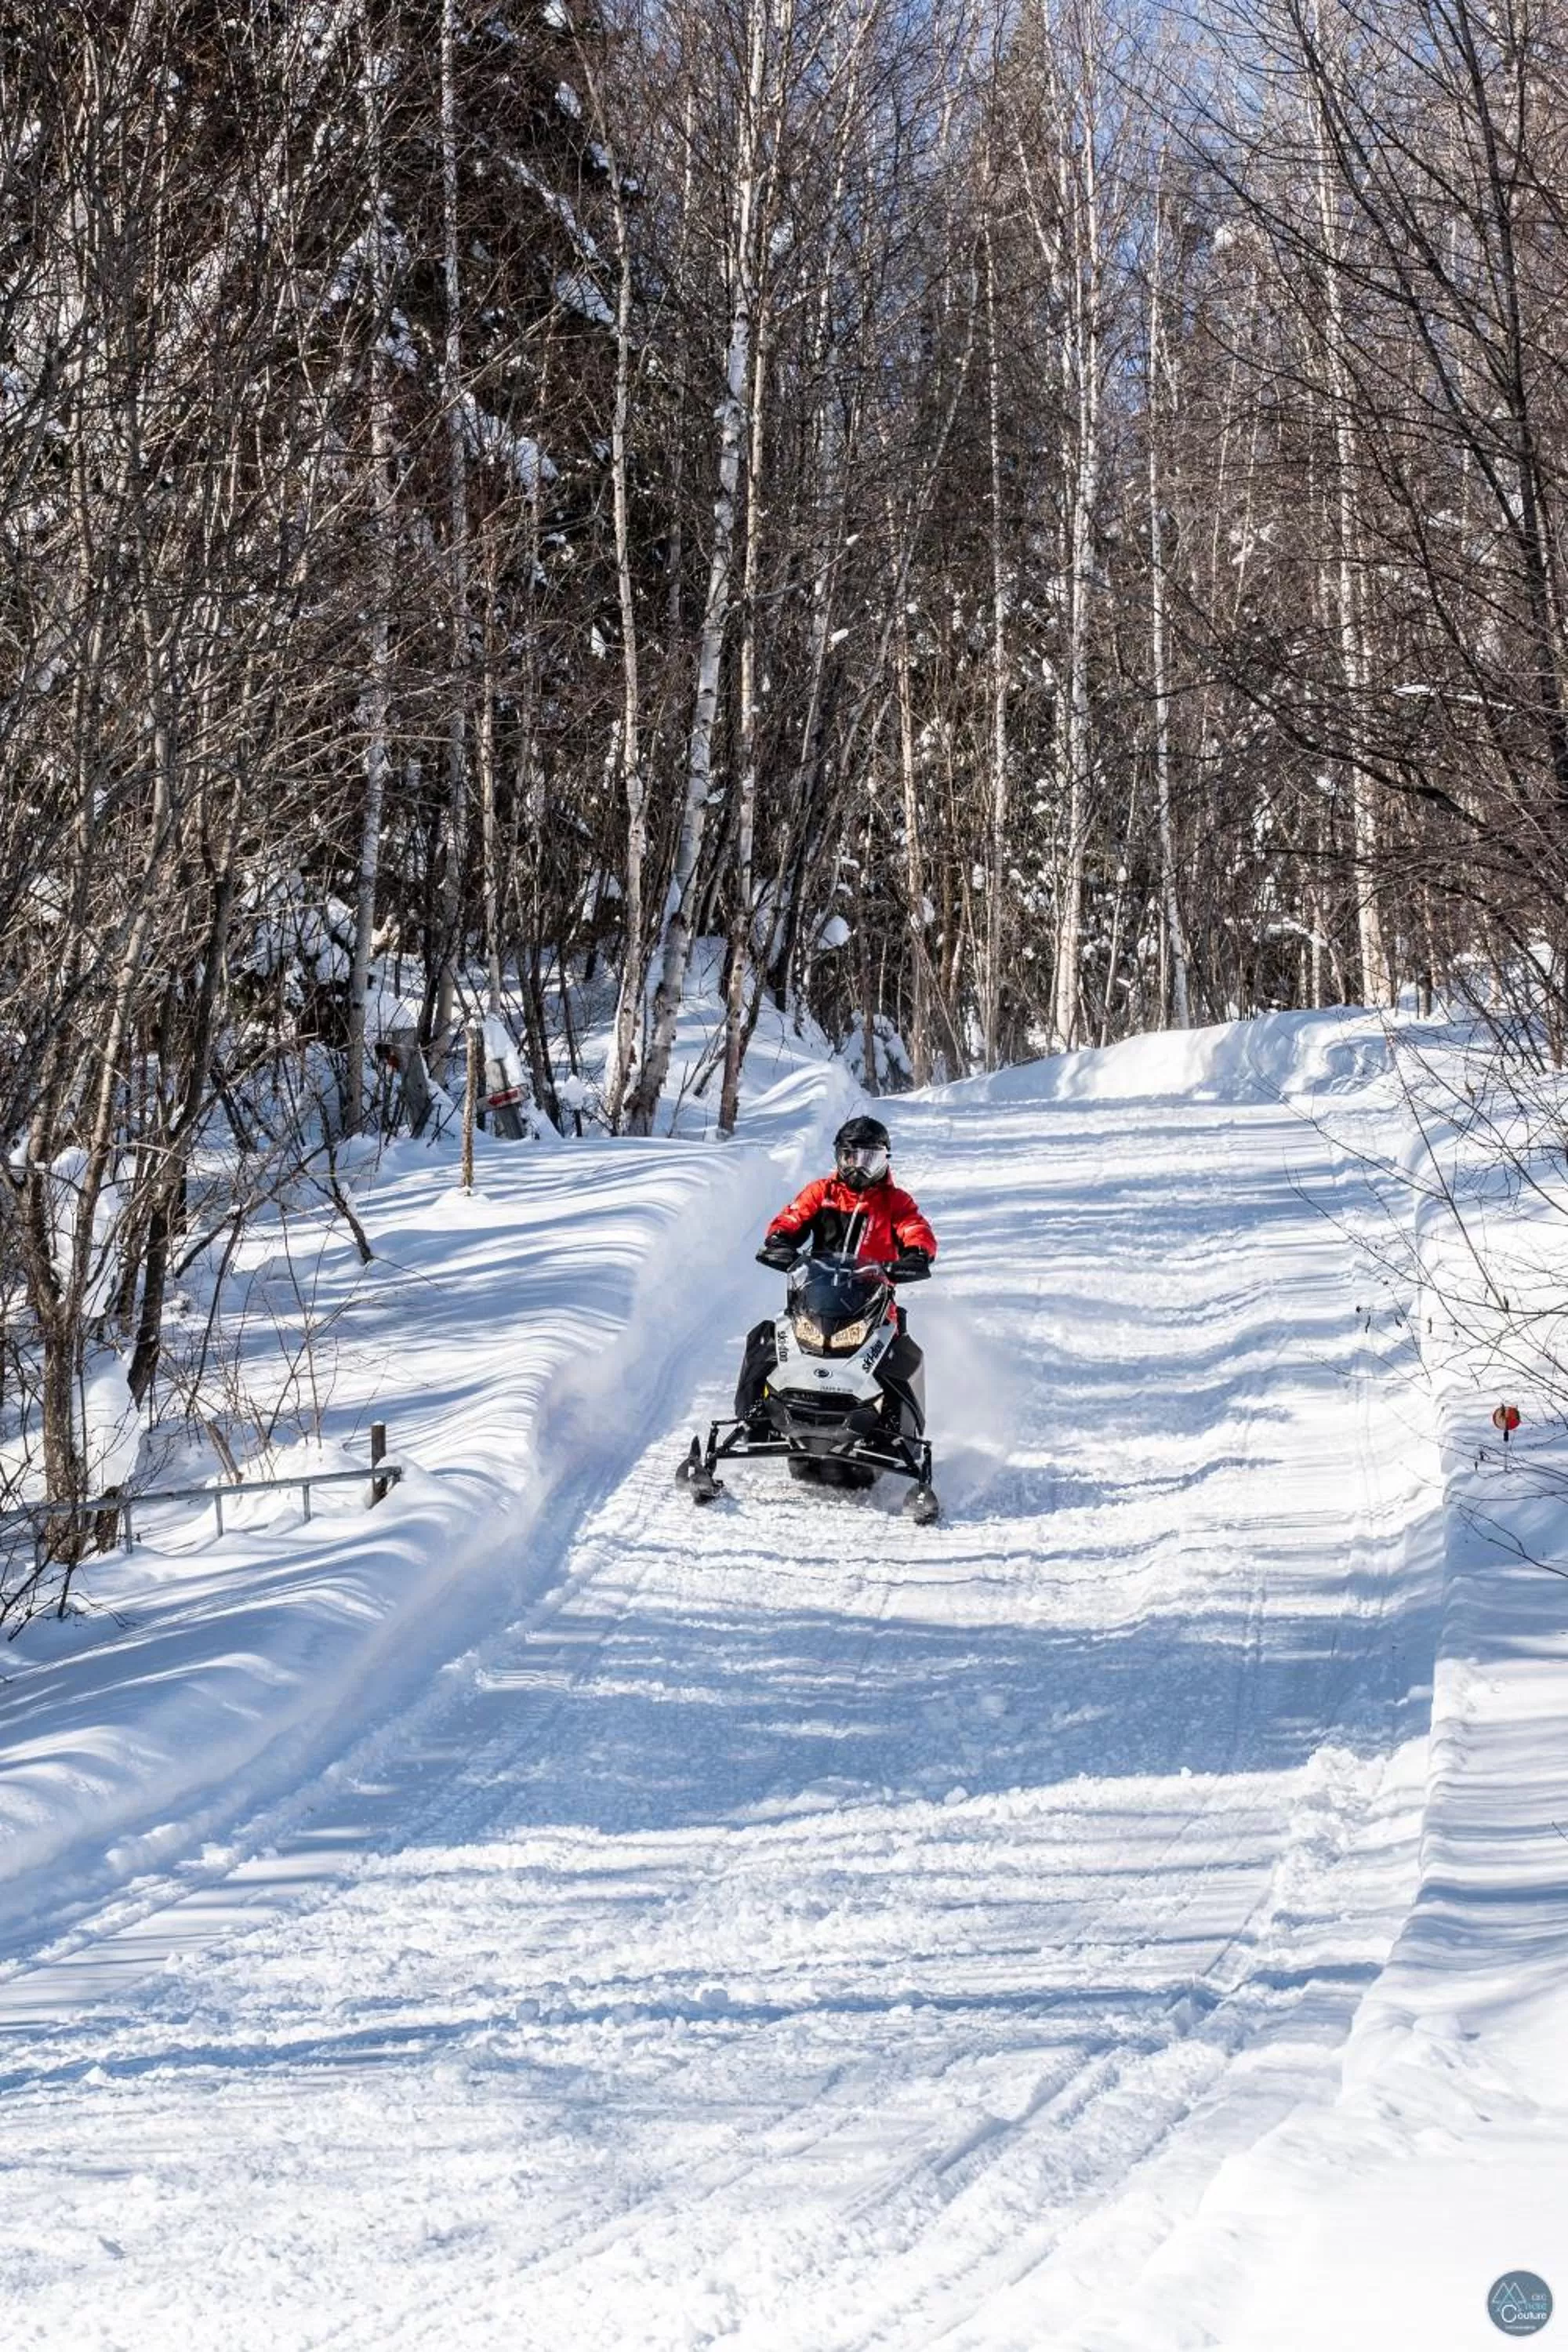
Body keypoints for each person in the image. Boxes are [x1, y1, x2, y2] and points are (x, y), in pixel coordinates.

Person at [734, 1114, 938, 1433]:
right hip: (817, 1294)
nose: (858, 1167)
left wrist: (917, 1254)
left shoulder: (895, 1202)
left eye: (869, 1159)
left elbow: (914, 1227)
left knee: (898, 1353)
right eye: (850, 1157)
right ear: (839, 1157)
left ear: (884, 1160)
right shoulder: (821, 1192)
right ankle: (755, 1416)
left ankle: (897, 1430)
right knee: (768, 1339)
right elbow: (792, 1217)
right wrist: (780, 1241)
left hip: (873, 1300)